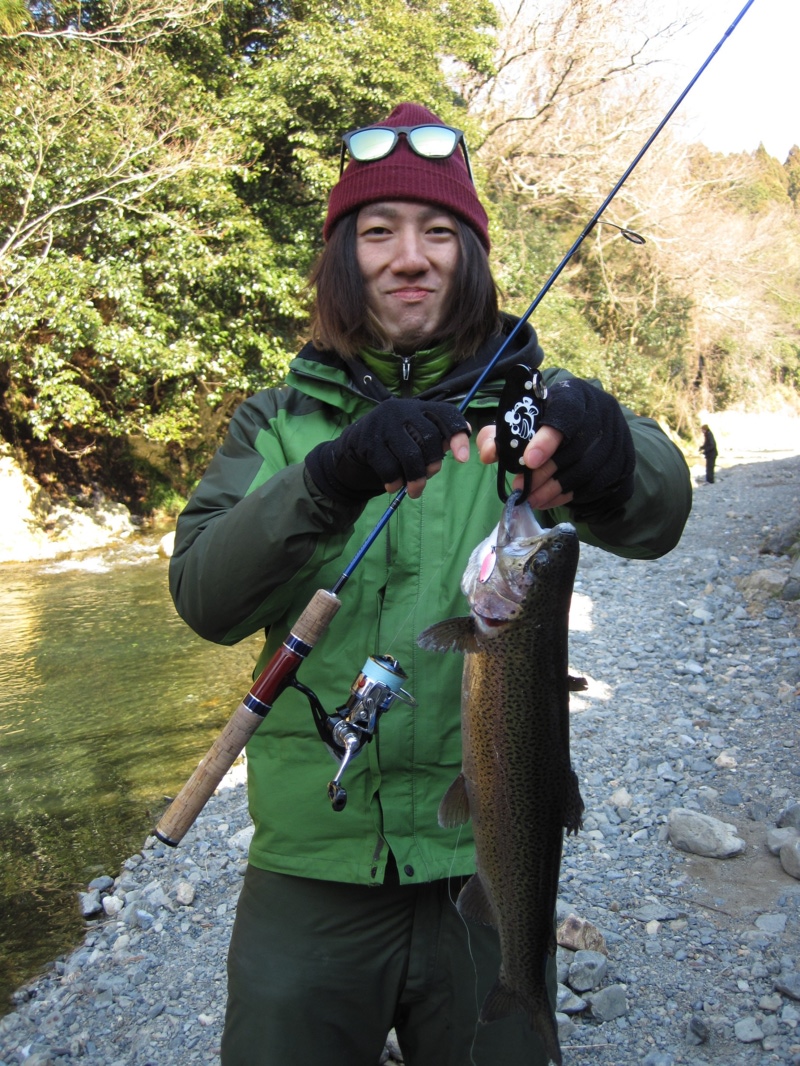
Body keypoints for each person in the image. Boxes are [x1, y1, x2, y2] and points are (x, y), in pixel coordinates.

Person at [169, 102, 692, 1066]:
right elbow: (203, 595)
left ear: (473, 255)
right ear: (342, 258)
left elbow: (658, 516)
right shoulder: (274, 424)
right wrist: (326, 478)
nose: (409, 256)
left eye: (439, 231)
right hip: (310, 869)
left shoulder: (527, 410)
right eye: (378, 232)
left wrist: (619, 458)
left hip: (489, 856)